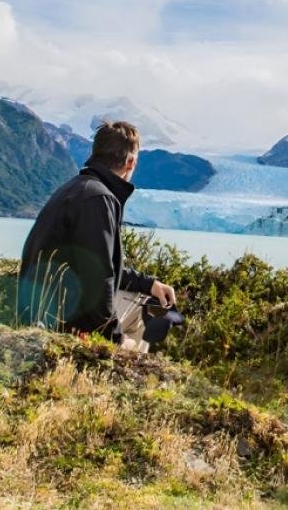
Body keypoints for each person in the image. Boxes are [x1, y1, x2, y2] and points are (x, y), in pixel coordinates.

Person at [18, 120, 176, 351]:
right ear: (131, 162)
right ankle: (119, 374)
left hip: (47, 310)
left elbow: (95, 265)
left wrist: (148, 284)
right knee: (146, 315)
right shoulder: (97, 199)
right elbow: (98, 281)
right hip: (64, 323)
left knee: (148, 299)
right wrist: (117, 340)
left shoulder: (77, 188)